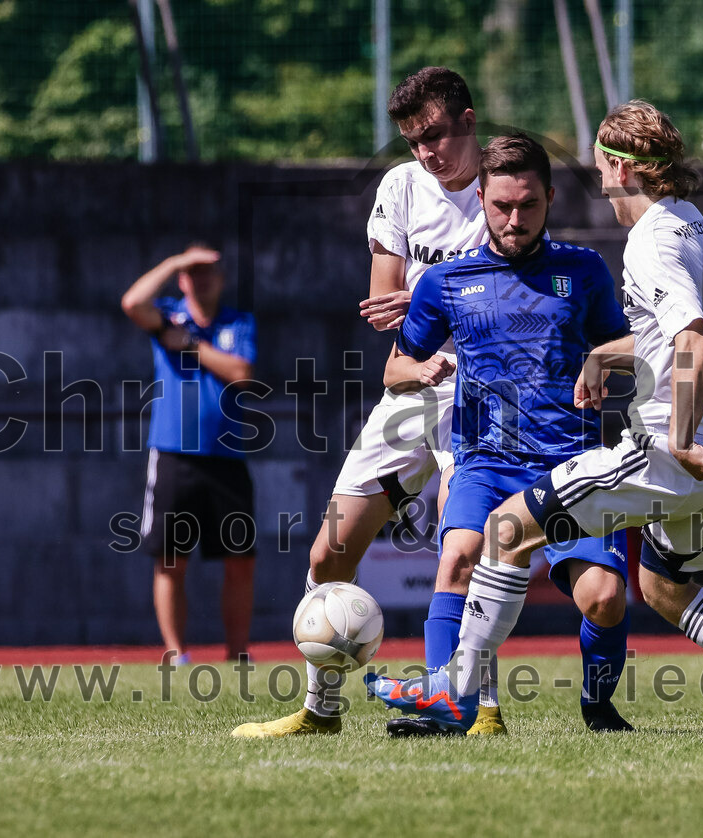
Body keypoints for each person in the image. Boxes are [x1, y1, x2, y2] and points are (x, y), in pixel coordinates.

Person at [368, 100, 703, 733]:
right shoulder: (693, 224)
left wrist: (678, 440)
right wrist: (604, 358)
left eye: (598, 167)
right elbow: (698, 339)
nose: (598, 181)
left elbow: (692, 341)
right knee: (666, 589)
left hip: (673, 451)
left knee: (507, 530)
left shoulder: (649, 240)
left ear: (620, 168)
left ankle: (455, 694)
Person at [232, 67, 498, 738]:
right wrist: (438, 303)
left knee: (462, 544)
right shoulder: (401, 187)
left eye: (435, 134)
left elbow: (514, 299)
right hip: (412, 383)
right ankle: (320, 711)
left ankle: (479, 707)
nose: (427, 152)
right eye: (413, 141)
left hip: (485, 390)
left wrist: (429, 295)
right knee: (328, 554)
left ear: (468, 120)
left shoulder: (505, 185)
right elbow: (385, 305)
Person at [378, 132, 636, 737]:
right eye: (501, 206)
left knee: (603, 597)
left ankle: (597, 705)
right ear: (481, 200)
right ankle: (444, 704)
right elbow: (393, 368)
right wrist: (422, 370)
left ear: (550, 199)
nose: (514, 220)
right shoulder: (444, 282)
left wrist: (603, 358)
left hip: (571, 463)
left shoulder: (583, 269)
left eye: (528, 205)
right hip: (486, 461)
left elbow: (633, 342)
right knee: (457, 559)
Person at [121, 244, 258, 663]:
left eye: (208, 271)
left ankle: (237, 654)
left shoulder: (238, 321)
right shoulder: (167, 315)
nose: (201, 279)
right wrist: (173, 261)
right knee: (170, 560)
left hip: (227, 456)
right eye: (193, 272)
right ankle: (176, 653)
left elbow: (242, 373)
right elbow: (132, 303)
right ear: (182, 279)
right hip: (173, 456)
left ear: (222, 278)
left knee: (240, 560)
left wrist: (192, 346)